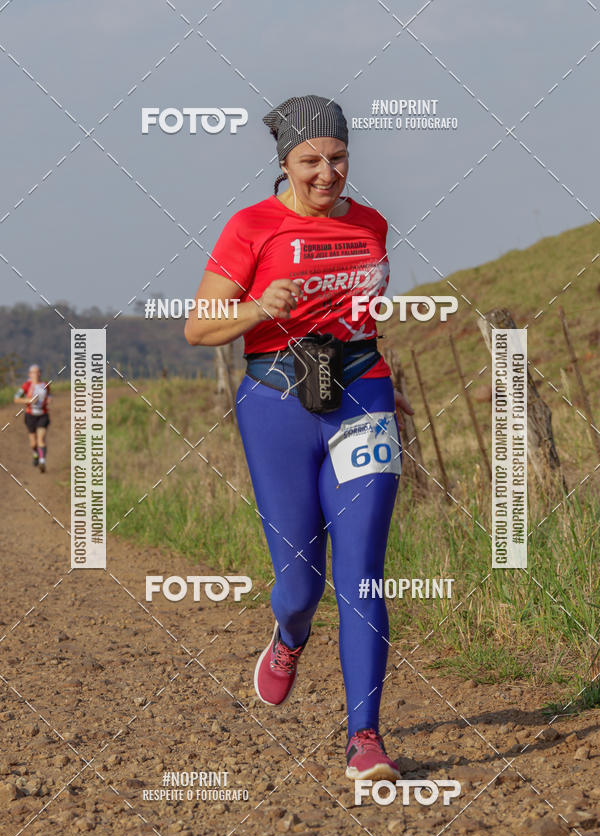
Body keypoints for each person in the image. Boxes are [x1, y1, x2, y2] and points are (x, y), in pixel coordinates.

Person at [186, 94, 414, 781]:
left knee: (362, 572)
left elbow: (361, 316)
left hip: (361, 401)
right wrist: (259, 306)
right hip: (276, 403)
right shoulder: (252, 226)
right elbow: (199, 327)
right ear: (284, 162)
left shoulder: (372, 224)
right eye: (310, 160)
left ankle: (364, 736)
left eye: (338, 158)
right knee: (298, 584)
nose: (326, 173)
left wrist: (378, 377)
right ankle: (289, 636)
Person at [14, 365, 51, 473]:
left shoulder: (46, 385)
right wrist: (29, 400)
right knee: (33, 443)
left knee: (41, 439)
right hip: (30, 416)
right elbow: (16, 399)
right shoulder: (26, 385)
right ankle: (35, 453)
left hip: (43, 415)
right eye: (34, 372)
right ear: (30, 374)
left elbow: (49, 395)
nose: (37, 374)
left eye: (38, 372)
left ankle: (42, 461)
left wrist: (49, 400)